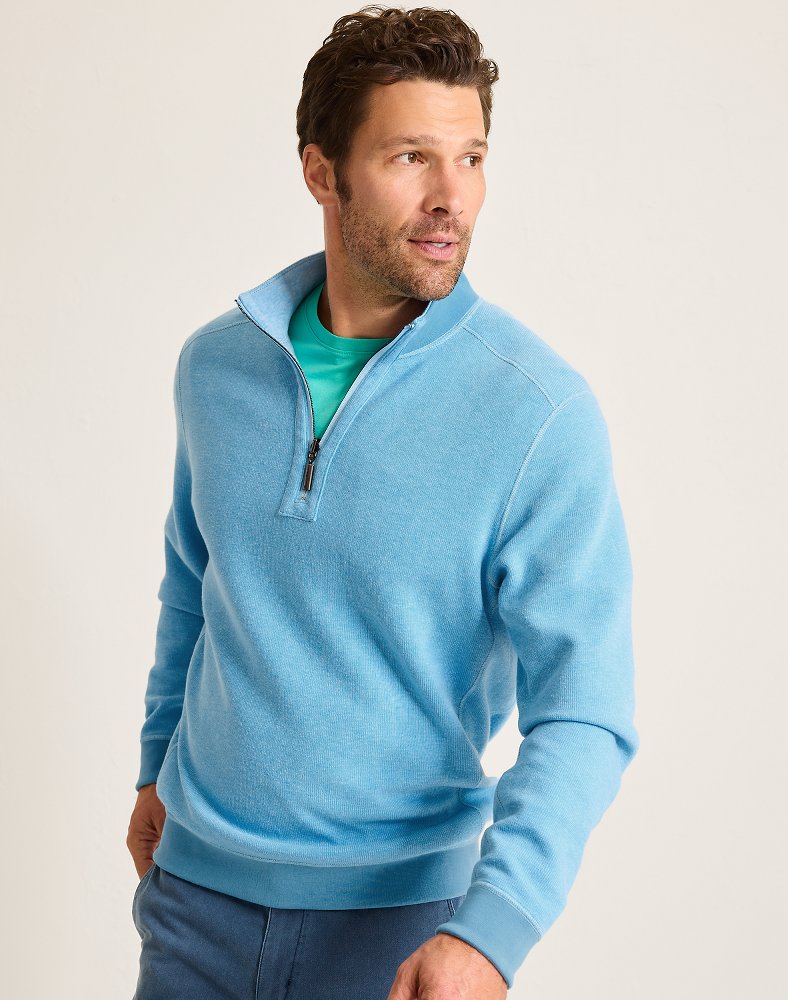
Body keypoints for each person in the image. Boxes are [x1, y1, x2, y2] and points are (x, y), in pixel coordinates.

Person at [127, 6, 640, 998]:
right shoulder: (216, 368)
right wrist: (156, 762)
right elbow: (194, 586)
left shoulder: (536, 413)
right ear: (322, 173)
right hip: (193, 906)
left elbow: (585, 709)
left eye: (470, 158)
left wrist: (492, 931)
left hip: (404, 931)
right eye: (411, 157)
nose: (451, 197)